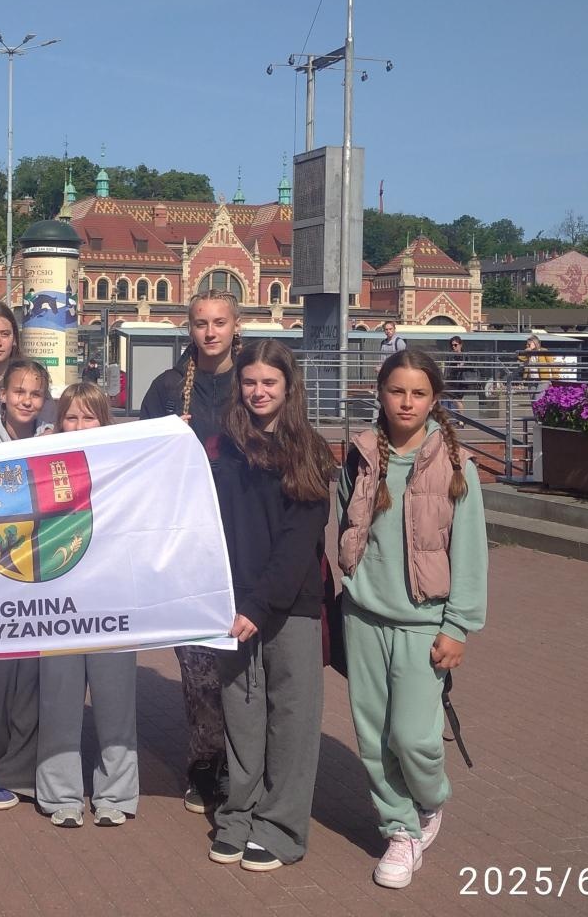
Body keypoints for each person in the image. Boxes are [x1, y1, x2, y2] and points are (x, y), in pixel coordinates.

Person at [338, 349, 488, 890]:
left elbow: (470, 552)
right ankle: (400, 831)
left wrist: (458, 625)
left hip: (424, 621)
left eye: (418, 392)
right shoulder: (359, 457)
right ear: (380, 393)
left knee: (415, 737)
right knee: (374, 735)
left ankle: (431, 801)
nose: (406, 402)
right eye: (397, 390)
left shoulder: (457, 467)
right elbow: (344, 526)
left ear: (434, 400)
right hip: (363, 617)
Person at [206, 341, 336, 873]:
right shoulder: (221, 448)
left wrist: (259, 604)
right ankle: (238, 814)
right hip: (230, 602)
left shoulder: (309, 449)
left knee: (291, 718)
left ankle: (281, 826)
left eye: (269, 383)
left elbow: (299, 540)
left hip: (290, 605)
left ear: (288, 387)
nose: (258, 392)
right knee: (240, 715)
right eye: (249, 382)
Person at [139, 288, 241, 813]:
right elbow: (140, 472)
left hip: (243, 542)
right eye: (200, 323)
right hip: (189, 549)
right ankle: (205, 765)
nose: (209, 332)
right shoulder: (165, 389)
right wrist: (164, 444)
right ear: (189, 328)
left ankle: (245, 764)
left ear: (235, 325)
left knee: (243, 667)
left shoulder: (256, 382)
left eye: (219, 322)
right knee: (199, 667)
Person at [35, 382, 139, 829]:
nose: (79, 426)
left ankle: (116, 792)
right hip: (58, 600)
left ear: (105, 420)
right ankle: (61, 794)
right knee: (59, 701)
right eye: (70, 418)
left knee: (116, 703)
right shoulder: (45, 466)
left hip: (112, 599)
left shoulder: (123, 464)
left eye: (89, 416)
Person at [0, 357, 54, 811]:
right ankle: (7, 760)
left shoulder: (53, 436)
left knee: (34, 675)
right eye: (18, 391)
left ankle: (16, 771)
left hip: (40, 570)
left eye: (35, 394)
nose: (26, 400)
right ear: (2, 394)